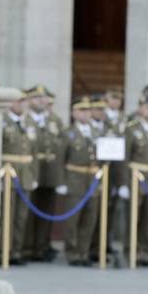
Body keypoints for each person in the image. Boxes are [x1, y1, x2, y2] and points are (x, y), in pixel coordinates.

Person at [120, 91, 148, 266]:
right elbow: (124, 157)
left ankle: (145, 253)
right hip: (135, 178)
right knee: (133, 218)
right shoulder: (131, 128)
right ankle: (130, 251)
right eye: (147, 107)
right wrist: (123, 183)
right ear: (140, 109)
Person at [25, 85, 66, 262]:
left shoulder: (54, 120)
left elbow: (62, 146)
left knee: (46, 209)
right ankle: (26, 248)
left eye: (43, 98)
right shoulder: (25, 120)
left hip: (49, 170)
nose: (42, 101)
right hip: (31, 170)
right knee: (27, 211)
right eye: (36, 98)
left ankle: (42, 246)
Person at [61, 96, 103, 267]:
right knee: (73, 219)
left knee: (89, 218)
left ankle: (84, 252)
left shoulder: (96, 132)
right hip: (74, 179)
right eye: (82, 110)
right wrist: (62, 181)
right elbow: (60, 159)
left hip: (92, 180)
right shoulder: (68, 133)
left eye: (88, 110)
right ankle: (72, 252)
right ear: (74, 113)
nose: (86, 114)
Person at [1, 91, 35, 265]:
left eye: (24, 101)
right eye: (18, 101)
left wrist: (33, 175)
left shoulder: (29, 122)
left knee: (21, 216)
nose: (21, 105)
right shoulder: (2, 121)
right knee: (7, 215)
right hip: (8, 174)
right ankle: (4, 251)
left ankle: (16, 251)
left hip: (25, 175)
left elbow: (33, 152)